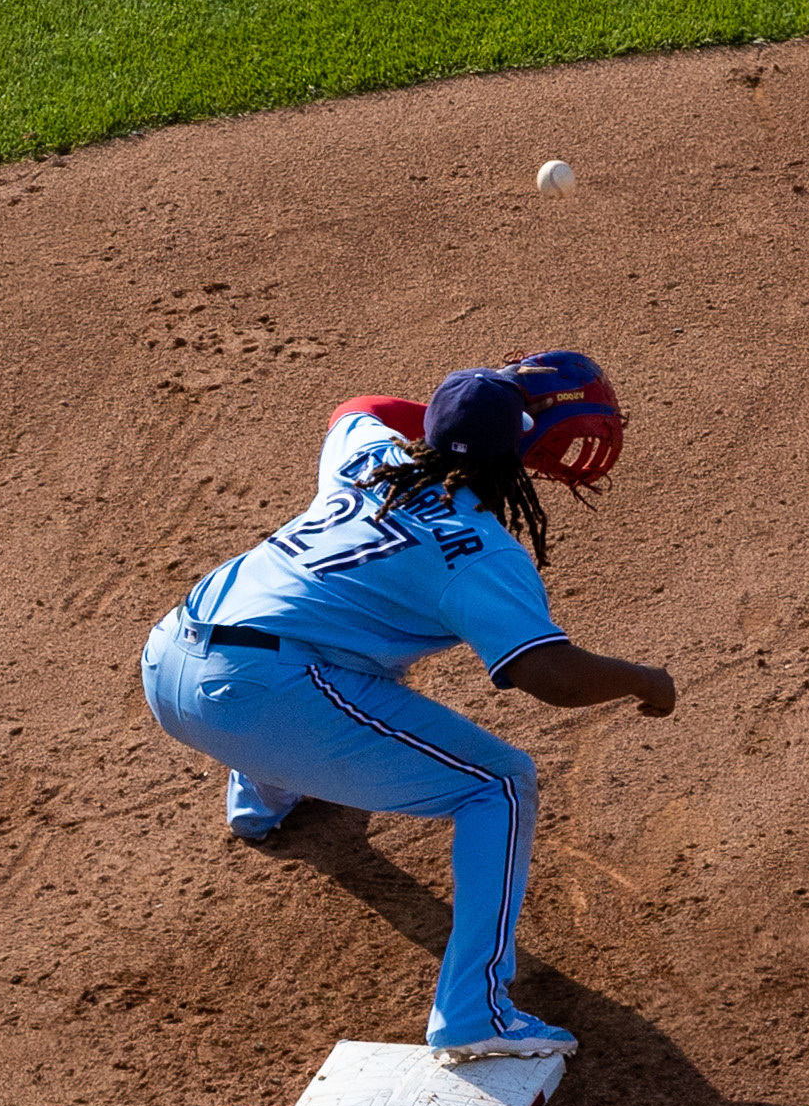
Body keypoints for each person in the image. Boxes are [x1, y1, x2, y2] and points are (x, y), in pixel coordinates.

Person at [138, 352, 674, 1063]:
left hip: (169, 660)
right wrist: (644, 680)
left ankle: (261, 800)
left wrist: (458, 414)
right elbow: (548, 674)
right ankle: (473, 1014)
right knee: (497, 785)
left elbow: (356, 403)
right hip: (256, 702)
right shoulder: (480, 552)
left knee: (346, 655)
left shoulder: (372, 457)